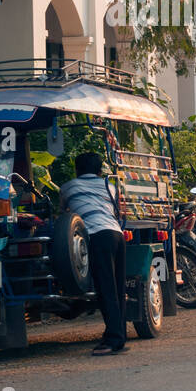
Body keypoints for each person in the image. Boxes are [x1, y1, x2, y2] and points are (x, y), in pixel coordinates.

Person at [59, 151, 128, 356]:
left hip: (97, 236)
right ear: (99, 171)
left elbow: (64, 217)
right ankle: (119, 337)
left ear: (77, 170)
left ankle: (113, 340)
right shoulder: (111, 187)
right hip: (117, 234)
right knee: (117, 288)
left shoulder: (67, 187)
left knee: (105, 289)